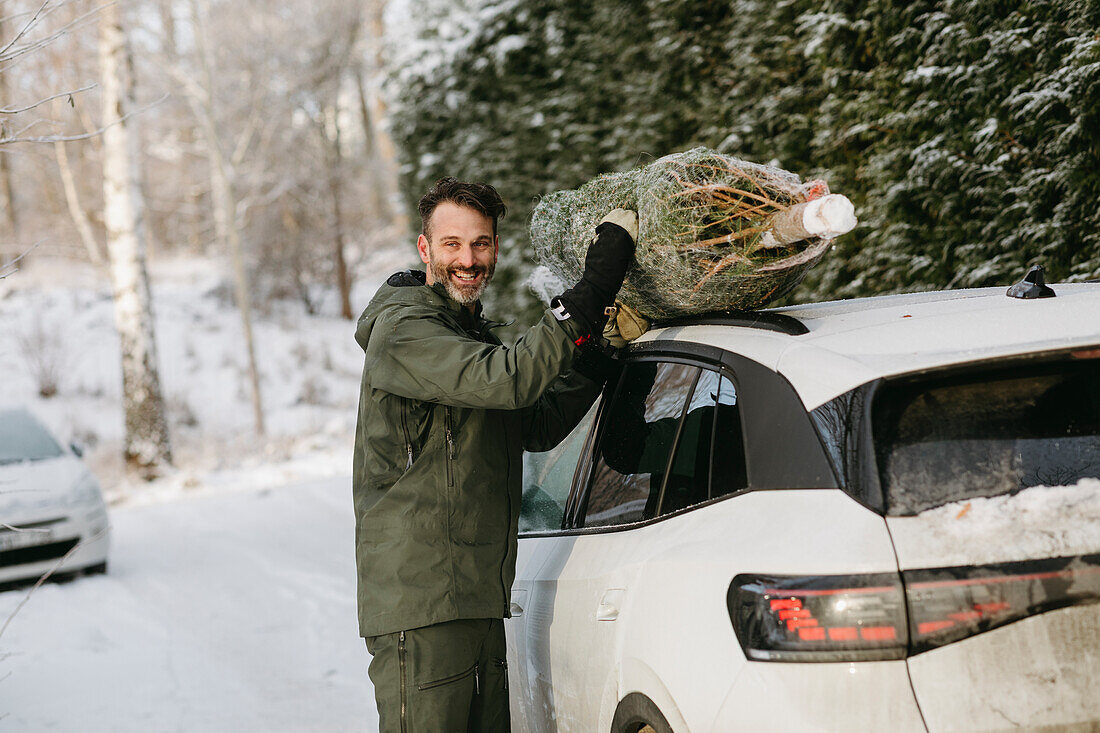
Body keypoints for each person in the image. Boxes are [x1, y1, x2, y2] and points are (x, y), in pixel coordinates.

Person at [352, 177, 637, 732]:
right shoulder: (406, 331)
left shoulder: (466, 333)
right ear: (425, 248)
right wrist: (587, 295)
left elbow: (535, 422)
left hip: (477, 596)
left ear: (496, 249)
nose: (468, 259)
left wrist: (598, 356)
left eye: (480, 243)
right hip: (425, 603)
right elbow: (507, 380)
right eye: (453, 244)